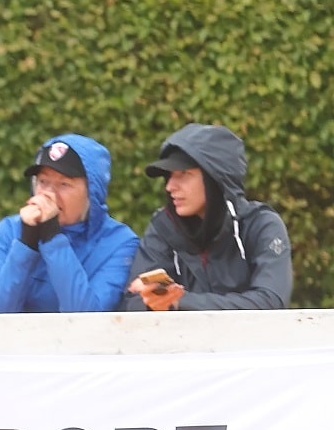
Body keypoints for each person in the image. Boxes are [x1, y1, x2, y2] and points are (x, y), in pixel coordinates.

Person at [121, 123, 291, 311]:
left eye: (184, 174)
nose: (170, 187)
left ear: (215, 179)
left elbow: (270, 301)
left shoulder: (261, 225)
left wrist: (179, 302)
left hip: (250, 340)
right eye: (169, 176)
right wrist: (153, 300)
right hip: (180, 340)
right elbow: (133, 302)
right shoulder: (163, 227)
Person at [0, 134, 137, 313]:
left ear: (92, 192)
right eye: (43, 182)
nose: (48, 194)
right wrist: (26, 243)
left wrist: (52, 238)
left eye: (64, 184)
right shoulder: (8, 232)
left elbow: (86, 319)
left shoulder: (120, 242)